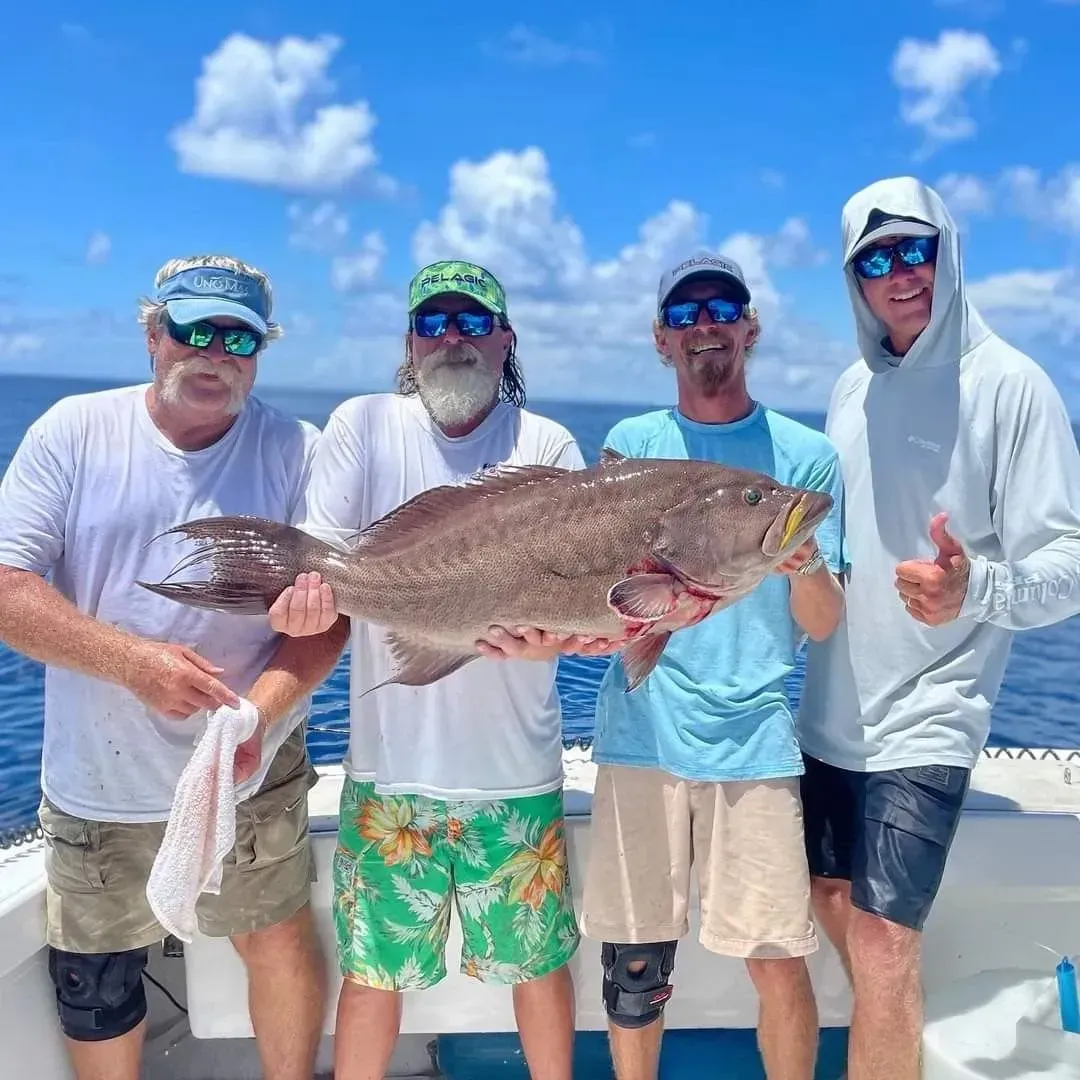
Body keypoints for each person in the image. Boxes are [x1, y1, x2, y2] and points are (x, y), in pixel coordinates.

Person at [0, 256, 345, 1080]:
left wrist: (260, 714)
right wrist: (129, 662)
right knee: (96, 974)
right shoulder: (72, 429)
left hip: (249, 766)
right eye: (195, 330)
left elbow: (328, 625)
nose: (215, 353)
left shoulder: (300, 450)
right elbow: (8, 586)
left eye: (239, 338)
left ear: (260, 351)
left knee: (276, 939)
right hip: (97, 779)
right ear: (154, 335)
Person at [271, 259, 590, 1080]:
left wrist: (557, 638)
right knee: (373, 976)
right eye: (435, 324)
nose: (455, 339)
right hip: (391, 775)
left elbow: (578, 596)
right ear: (410, 343)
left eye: (474, 323)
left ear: (506, 339)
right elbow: (326, 559)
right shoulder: (364, 424)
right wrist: (305, 600)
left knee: (538, 972)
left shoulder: (546, 443)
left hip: (514, 774)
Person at [796, 176, 1080, 1080]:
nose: (898, 273)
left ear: (948, 251)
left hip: (932, 711)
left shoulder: (1014, 386)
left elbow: (1068, 566)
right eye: (874, 259)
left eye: (914, 249)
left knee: (883, 944)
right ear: (854, 280)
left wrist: (978, 588)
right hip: (829, 711)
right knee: (833, 900)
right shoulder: (848, 390)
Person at [572, 253, 847, 1080]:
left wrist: (799, 560)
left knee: (775, 958)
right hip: (640, 730)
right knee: (633, 966)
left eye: (722, 307)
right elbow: (609, 598)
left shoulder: (804, 457)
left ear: (750, 327)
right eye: (685, 314)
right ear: (662, 339)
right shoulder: (632, 447)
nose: (705, 324)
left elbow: (825, 622)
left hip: (754, 741)